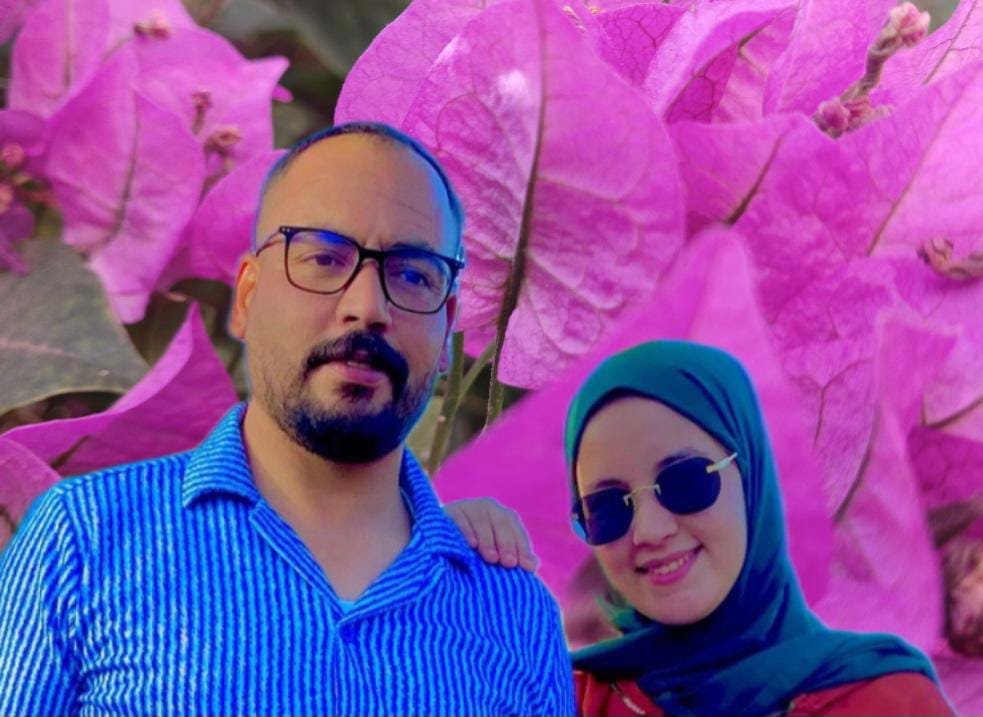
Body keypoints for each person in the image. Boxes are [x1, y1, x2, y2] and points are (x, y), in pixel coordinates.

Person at [0, 122, 575, 715]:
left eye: (412, 274)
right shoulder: (84, 542)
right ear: (247, 296)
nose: (367, 307)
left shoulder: (512, 613)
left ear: (447, 323)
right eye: (324, 258)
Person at [449, 340, 956, 716]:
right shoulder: (564, 699)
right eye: (608, 508)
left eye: (685, 481)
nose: (649, 530)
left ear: (751, 477)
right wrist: (430, 555)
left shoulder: (886, 701)